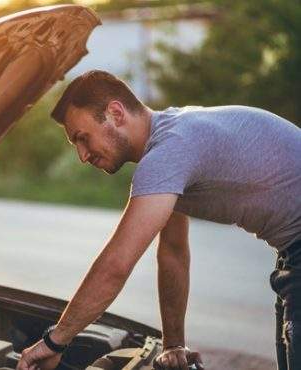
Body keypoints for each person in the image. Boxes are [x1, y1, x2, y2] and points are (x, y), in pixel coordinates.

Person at [15, 70, 301, 370]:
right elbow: (173, 252)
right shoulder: (175, 135)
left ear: (115, 112)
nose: (83, 156)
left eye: (82, 138)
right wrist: (174, 344)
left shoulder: (168, 152)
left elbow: (116, 264)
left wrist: (54, 342)